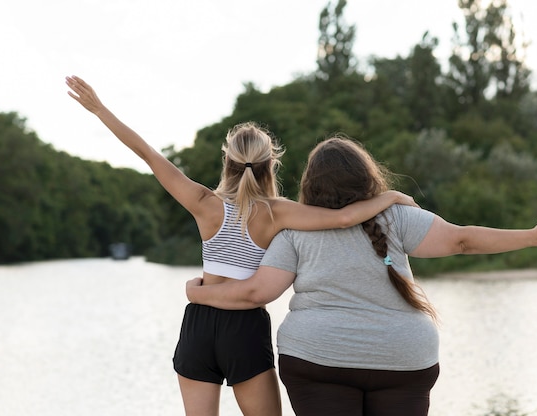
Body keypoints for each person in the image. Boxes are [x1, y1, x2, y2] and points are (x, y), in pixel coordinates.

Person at [65, 76, 418, 416]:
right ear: (270, 164)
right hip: (244, 328)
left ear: (227, 162)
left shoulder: (203, 202)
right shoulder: (277, 213)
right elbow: (344, 218)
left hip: (199, 326)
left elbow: (146, 153)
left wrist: (99, 109)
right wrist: (391, 196)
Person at [185, 136, 537, 416]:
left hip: (319, 360)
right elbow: (463, 241)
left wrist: (199, 294)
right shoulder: (397, 216)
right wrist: (531, 237)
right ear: (367, 176)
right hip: (403, 362)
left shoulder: (292, 227)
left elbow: (257, 293)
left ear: (309, 183)